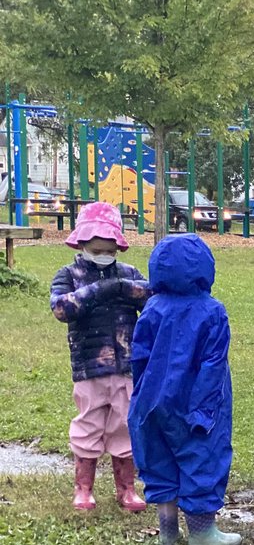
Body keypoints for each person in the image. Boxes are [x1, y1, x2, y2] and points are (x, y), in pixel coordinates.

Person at [128, 234, 241, 545]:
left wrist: (140, 397)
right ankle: (202, 532)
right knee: (201, 457)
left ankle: (167, 532)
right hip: (194, 400)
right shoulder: (212, 311)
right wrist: (205, 410)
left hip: (150, 401)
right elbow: (213, 364)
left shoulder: (152, 308)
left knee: (159, 459)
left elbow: (138, 356)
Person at [50, 202, 150, 513]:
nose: (104, 254)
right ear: (82, 244)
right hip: (89, 368)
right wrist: (99, 290)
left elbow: (150, 296)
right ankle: (84, 488)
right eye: (97, 249)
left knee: (124, 424)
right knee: (89, 424)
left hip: (125, 366)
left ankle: (127, 488)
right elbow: (61, 309)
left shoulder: (128, 274)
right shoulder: (69, 275)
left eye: (110, 249)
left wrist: (121, 287)